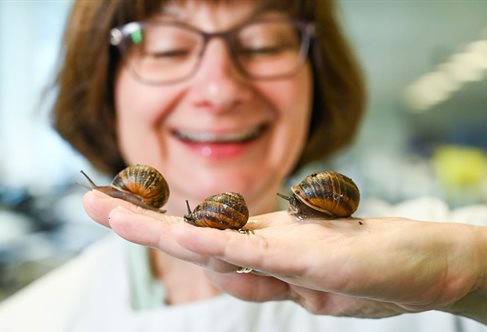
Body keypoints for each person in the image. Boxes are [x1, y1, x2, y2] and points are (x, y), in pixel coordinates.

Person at [0, 0, 486, 331]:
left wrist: (464, 279)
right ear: (105, 88)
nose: (220, 90)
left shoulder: (453, 254)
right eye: (168, 48)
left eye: (263, 44)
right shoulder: (31, 319)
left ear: (317, 78)